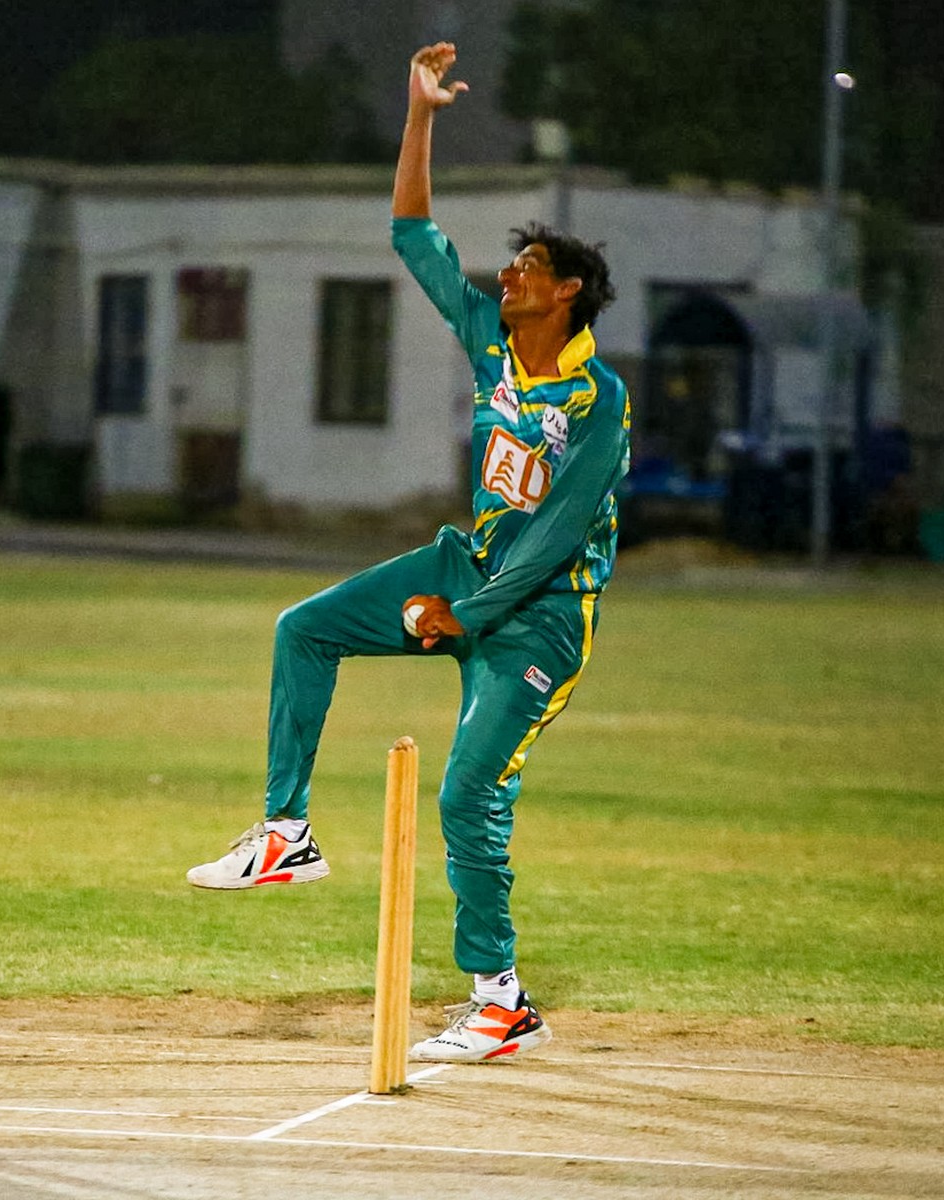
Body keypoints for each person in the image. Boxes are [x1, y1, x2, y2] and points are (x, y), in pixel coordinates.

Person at [187, 42, 630, 1064]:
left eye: (526, 267)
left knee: (467, 795)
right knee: (303, 629)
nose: (504, 274)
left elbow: (555, 538)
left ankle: (500, 1003)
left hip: (541, 618)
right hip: (464, 573)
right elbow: (411, 233)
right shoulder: (489, 342)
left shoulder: (597, 399)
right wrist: (419, 115)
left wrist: (462, 617)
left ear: (565, 292)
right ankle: (284, 833)